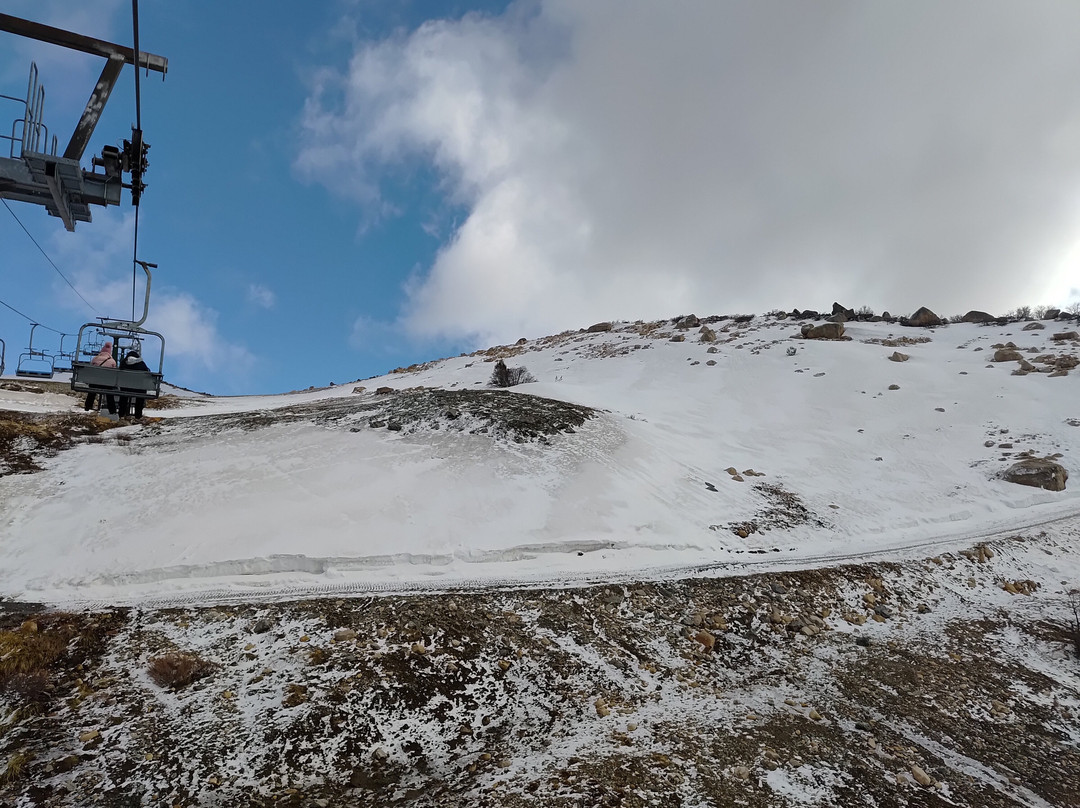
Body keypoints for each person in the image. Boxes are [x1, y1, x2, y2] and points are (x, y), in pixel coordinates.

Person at [83, 341, 117, 414]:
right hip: (107, 385)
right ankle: (112, 410)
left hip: (95, 383)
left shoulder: (95, 359)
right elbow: (114, 373)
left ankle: (87, 406)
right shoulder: (112, 361)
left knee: (91, 392)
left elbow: (91, 369)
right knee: (110, 395)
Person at [118, 349, 151, 418]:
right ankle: (138, 415)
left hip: (125, 388)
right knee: (140, 396)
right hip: (138, 389)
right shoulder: (141, 364)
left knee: (123, 396)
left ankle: (121, 413)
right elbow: (147, 373)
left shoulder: (123, 363)